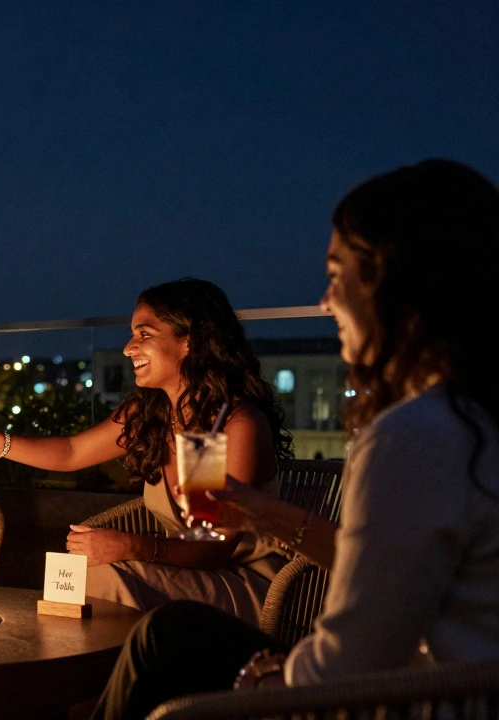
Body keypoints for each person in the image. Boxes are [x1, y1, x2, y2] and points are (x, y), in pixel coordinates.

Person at [93, 159, 499, 720]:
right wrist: (264, 514)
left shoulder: (416, 435)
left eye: (338, 274)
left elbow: (351, 664)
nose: (327, 300)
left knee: (164, 643)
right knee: (170, 632)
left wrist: (264, 678)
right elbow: (395, 568)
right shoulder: (474, 421)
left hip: (414, 701)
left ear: (396, 281)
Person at [0, 279, 293, 623]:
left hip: (239, 583)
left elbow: (211, 545)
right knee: (86, 575)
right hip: (174, 571)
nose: (127, 348)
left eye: (144, 334)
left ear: (189, 342)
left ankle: (102, 672)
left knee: (101, 577)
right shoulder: (154, 414)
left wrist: (129, 545)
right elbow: (72, 452)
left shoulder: (230, 424)